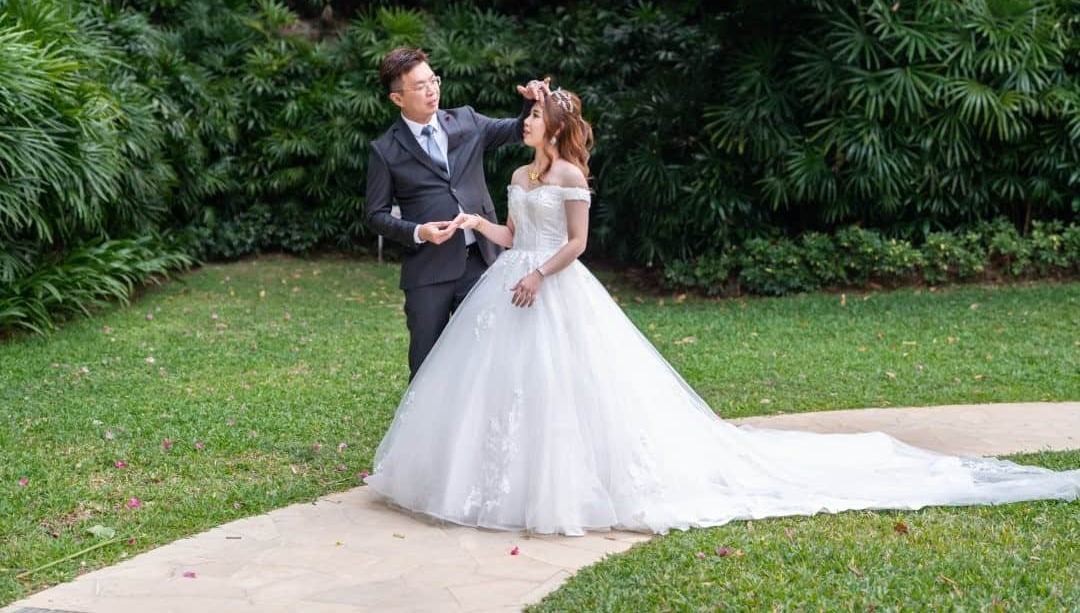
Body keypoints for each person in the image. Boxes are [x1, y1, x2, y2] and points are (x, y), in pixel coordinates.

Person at [364, 88, 1080, 536]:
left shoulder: (574, 174)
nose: (521, 125)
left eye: (531, 117)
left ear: (552, 125)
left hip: (551, 290)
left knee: (574, 391)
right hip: (512, 283)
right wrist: (471, 226)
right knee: (503, 393)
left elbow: (577, 245)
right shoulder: (521, 174)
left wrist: (539, 279)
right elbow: (514, 233)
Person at [364, 46, 547, 379]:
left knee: (483, 354)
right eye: (419, 86)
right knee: (426, 360)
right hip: (427, 270)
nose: (431, 90)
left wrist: (532, 101)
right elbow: (374, 215)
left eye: (432, 80)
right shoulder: (385, 149)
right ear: (398, 99)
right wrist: (419, 232)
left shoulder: (466, 120)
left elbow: (518, 129)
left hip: (481, 259)